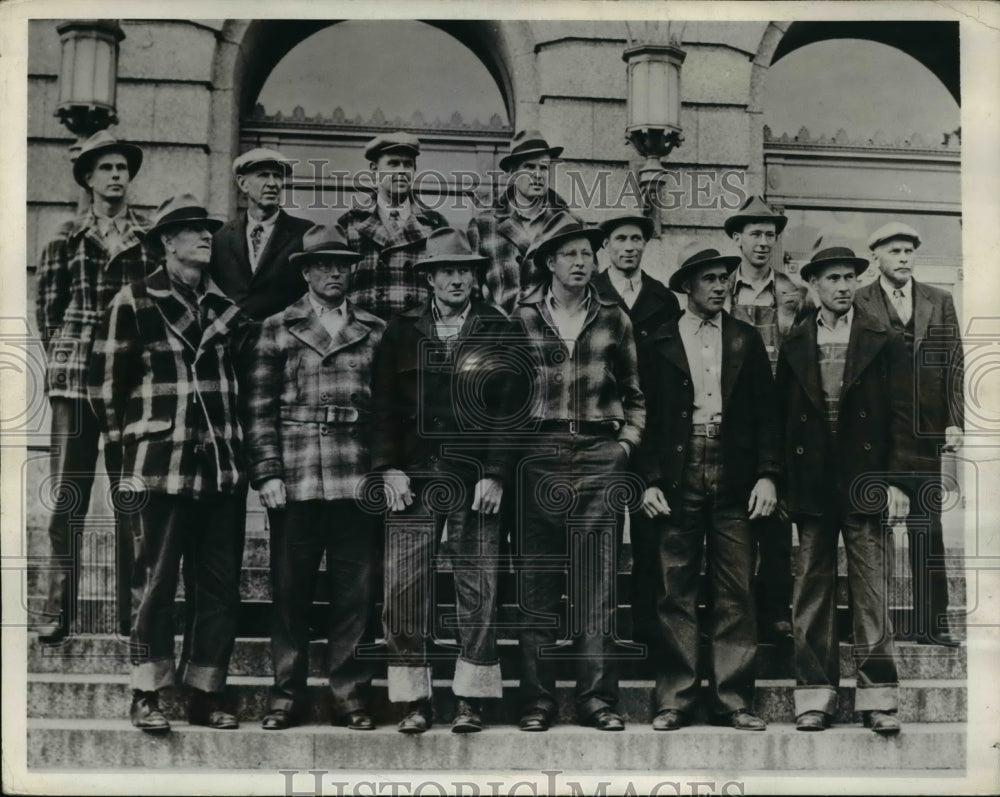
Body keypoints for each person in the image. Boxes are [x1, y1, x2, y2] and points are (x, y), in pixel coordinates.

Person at [88, 194, 254, 734]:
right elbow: (106, 387)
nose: (206, 237)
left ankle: (206, 692)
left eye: (208, 229)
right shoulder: (135, 300)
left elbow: (241, 386)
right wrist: (128, 453)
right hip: (159, 463)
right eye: (192, 229)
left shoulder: (226, 306)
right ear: (167, 241)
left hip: (221, 466)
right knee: (155, 582)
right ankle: (146, 691)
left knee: (219, 587)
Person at [371, 228, 513, 734]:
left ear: (476, 277)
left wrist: (495, 473)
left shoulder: (498, 328)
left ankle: (471, 698)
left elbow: (510, 411)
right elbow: (382, 407)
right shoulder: (401, 330)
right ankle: (414, 700)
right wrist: (388, 467)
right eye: (447, 271)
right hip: (414, 477)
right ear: (429, 278)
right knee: (404, 588)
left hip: (475, 481)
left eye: (465, 271)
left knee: (479, 587)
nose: (457, 280)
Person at [509, 212, 645, 733]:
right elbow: (503, 394)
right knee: (536, 583)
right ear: (550, 262)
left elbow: (635, 394)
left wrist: (624, 446)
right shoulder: (521, 316)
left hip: (598, 453)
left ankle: (597, 700)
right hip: (538, 454)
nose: (581, 262)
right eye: (570, 254)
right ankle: (537, 701)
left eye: (588, 254)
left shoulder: (613, 316)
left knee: (598, 581)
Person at [246, 225, 386, 731]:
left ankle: (350, 695)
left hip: (355, 477)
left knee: (356, 594)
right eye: (324, 264)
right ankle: (286, 695)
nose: (334, 273)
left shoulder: (375, 329)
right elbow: (258, 409)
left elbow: (387, 412)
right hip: (297, 476)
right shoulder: (276, 327)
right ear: (305, 272)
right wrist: (267, 472)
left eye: (342, 264)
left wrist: (382, 471)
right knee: (290, 593)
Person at [637, 243, 779, 732]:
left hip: (734, 469)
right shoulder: (659, 340)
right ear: (686, 287)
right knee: (674, 585)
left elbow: (767, 414)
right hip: (679, 470)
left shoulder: (745, 338)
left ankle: (732, 700)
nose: (721, 287)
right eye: (710, 279)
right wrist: (650, 480)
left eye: (725, 279)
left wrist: (768, 474)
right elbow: (646, 416)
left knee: (736, 585)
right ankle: (674, 699)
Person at [775, 243, 914, 735]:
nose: (842, 287)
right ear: (813, 284)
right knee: (811, 592)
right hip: (812, 483)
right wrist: (782, 480)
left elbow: (903, 416)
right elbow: (781, 419)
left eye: (848, 278)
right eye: (831, 278)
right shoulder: (795, 341)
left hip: (865, 482)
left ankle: (879, 700)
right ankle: (815, 698)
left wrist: (898, 482)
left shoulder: (883, 337)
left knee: (871, 592)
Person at [34, 129, 149, 643]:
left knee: (132, 497)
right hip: (76, 381)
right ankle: (57, 610)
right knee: (68, 496)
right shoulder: (65, 236)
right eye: (106, 168)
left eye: (122, 168)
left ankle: (133, 614)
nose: (116, 175)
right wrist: (70, 356)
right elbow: (48, 311)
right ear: (88, 177)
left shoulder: (148, 238)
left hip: (129, 382)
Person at [855, 222, 963, 647]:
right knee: (872, 524)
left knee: (926, 526)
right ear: (876, 256)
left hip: (924, 433)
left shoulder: (939, 300)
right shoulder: (859, 300)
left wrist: (954, 419)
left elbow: (954, 363)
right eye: (894, 251)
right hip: (873, 432)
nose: (903, 258)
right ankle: (870, 626)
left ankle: (930, 624)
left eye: (909, 251)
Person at [592, 213, 682, 645]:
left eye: (636, 239)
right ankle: (599, 632)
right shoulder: (591, 292)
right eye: (621, 239)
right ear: (606, 247)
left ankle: (647, 630)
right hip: (602, 423)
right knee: (598, 532)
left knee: (650, 530)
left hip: (652, 424)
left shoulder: (662, 298)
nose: (629, 247)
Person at [723, 195, 805, 644]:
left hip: (781, 417)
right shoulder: (720, 289)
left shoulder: (795, 294)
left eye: (769, 235)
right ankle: (733, 614)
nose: (762, 242)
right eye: (754, 233)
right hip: (733, 419)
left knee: (776, 520)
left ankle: (775, 612)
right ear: (737, 238)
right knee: (731, 520)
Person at [336, 132, 449, 321]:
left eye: (408, 164)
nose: (402, 171)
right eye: (393, 164)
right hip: (365, 331)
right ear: (374, 169)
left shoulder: (435, 224)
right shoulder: (350, 223)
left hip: (417, 332)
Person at [467, 130, 572, 314]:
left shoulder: (568, 223)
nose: (538, 175)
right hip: (502, 328)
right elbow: (471, 292)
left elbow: (586, 285)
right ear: (513, 173)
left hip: (553, 327)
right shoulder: (484, 225)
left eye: (544, 168)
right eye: (529, 167)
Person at [210, 148, 314, 321]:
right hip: (231, 336)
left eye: (277, 176)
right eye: (263, 175)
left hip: (284, 334)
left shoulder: (304, 233)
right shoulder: (221, 237)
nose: (272, 183)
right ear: (243, 183)